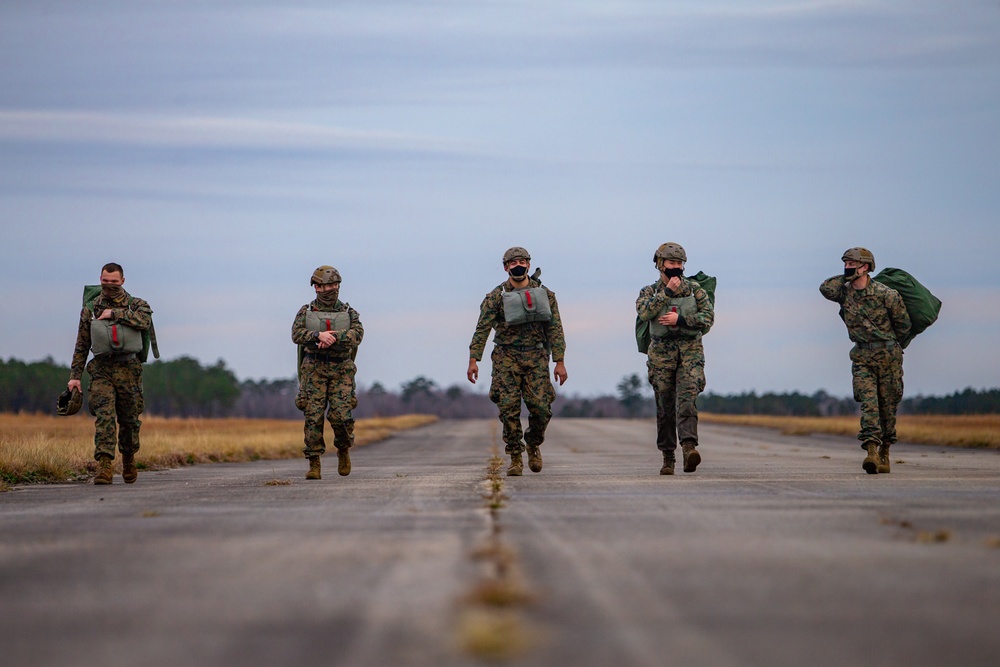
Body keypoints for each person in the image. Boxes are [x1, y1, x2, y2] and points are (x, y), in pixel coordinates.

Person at [467, 247, 567, 476]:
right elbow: (482, 329)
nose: (518, 265)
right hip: (506, 358)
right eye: (513, 263)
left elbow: (556, 330)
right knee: (508, 409)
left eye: (522, 261)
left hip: (536, 357)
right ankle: (515, 457)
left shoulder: (545, 294)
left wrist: (559, 361)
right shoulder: (496, 296)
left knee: (541, 408)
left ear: (529, 265)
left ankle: (533, 443)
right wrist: (474, 359)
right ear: (506, 267)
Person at [820, 247, 910, 474]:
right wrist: (848, 277)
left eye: (853, 264)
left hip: (888, 357)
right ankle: (871, 451)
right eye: (846, 263)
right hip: (861, 357)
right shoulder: (845, 292)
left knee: (887, 408)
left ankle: (885, 452)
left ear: (866, 267)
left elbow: (904, 326)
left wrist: (890, 347)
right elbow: (825, 288)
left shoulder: (886, 294)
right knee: (869, 404)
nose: (848, 267)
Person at [68, 262, 153, 485]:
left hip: (129, 370)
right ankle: (104, 466)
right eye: (105, 282)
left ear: (122, 281)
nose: (109, 286)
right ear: (100, 279)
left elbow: (144, 321)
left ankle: (128, 459)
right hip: (102, 369)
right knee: (104, 417)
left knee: (129, 420)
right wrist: (75, 376)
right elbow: (82, 343)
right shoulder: (90, 308)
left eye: (114, 282)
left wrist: (115, 313)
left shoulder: (137, 305)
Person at [636, 243, 714, 475]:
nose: (676, 268)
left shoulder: (695, 289)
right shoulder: (649, 291)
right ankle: (667, 457)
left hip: (690, 352)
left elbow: (708, 317)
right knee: (665, 405)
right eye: (672, 263)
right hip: (661, 356)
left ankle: (689, 449)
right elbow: (644, 312)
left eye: (680, 264)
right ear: (660, 264)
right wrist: (667, 292)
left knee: (687, 400)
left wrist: (681, 320)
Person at [292, 265, 364, 479]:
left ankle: (343, 449)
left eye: (334, 285)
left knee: (341, 416)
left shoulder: (349, 312)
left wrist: (333, 337)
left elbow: (358, 335)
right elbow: (296, 334)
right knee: (313, 417)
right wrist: (317, 336)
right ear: (316, 287)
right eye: (325, 286)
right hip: (314, 369)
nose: (330, 289)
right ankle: (314, 463)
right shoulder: (306, 312)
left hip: (341, 369)